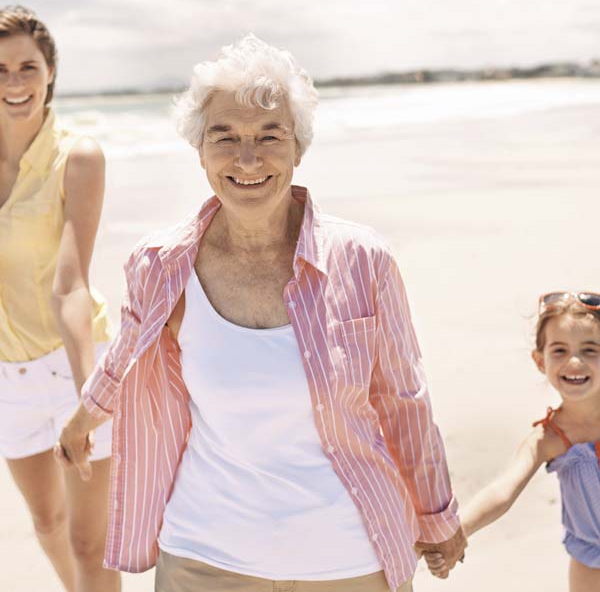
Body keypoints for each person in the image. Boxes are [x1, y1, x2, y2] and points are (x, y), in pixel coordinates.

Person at [58, 34, 465, 592]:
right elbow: (125, 353)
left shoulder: (362, 260)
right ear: (200, 150)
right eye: (224, 137)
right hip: (204, 557)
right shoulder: (161, 263)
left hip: (347, 559)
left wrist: (437, 514)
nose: (246, 158)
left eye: (269, 136)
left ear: (298, 148)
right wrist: (83, 418)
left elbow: (404, 399)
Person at [0, 6, 119, 592]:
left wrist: (88, 398)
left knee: (89, 544)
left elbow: (70, 284)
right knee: (46, 523)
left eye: (27, 66)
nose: (15, 83)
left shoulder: (79, 156)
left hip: (70, 364)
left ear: (50, 72)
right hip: (6, 377)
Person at [424, 291, 600, 591]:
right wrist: (456, 532)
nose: (574, 361)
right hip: (590, 562)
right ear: (539, 360)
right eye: (559, 350)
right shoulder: (548, 438)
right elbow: (501, 492)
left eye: (590, 349)